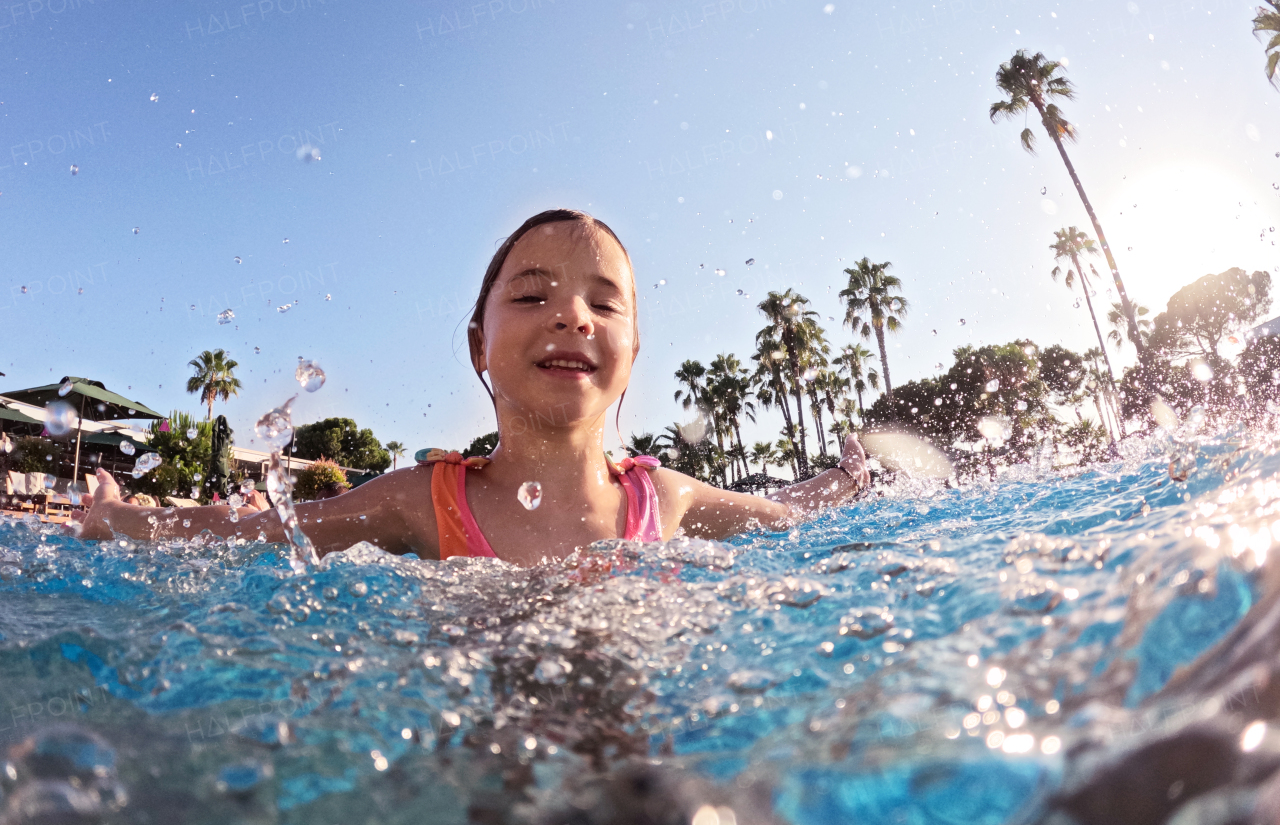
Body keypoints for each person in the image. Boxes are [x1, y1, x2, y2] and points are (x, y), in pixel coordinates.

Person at [78, 210, 871, 564]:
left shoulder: (666, 500)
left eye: (603, 302)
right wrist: (116, 519)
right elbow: (256, 532)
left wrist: (846, 478)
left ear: (632, 352)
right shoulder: (421, 501)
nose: (571, 316)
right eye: (532, 296)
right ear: (479, 346)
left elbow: (789, 513)